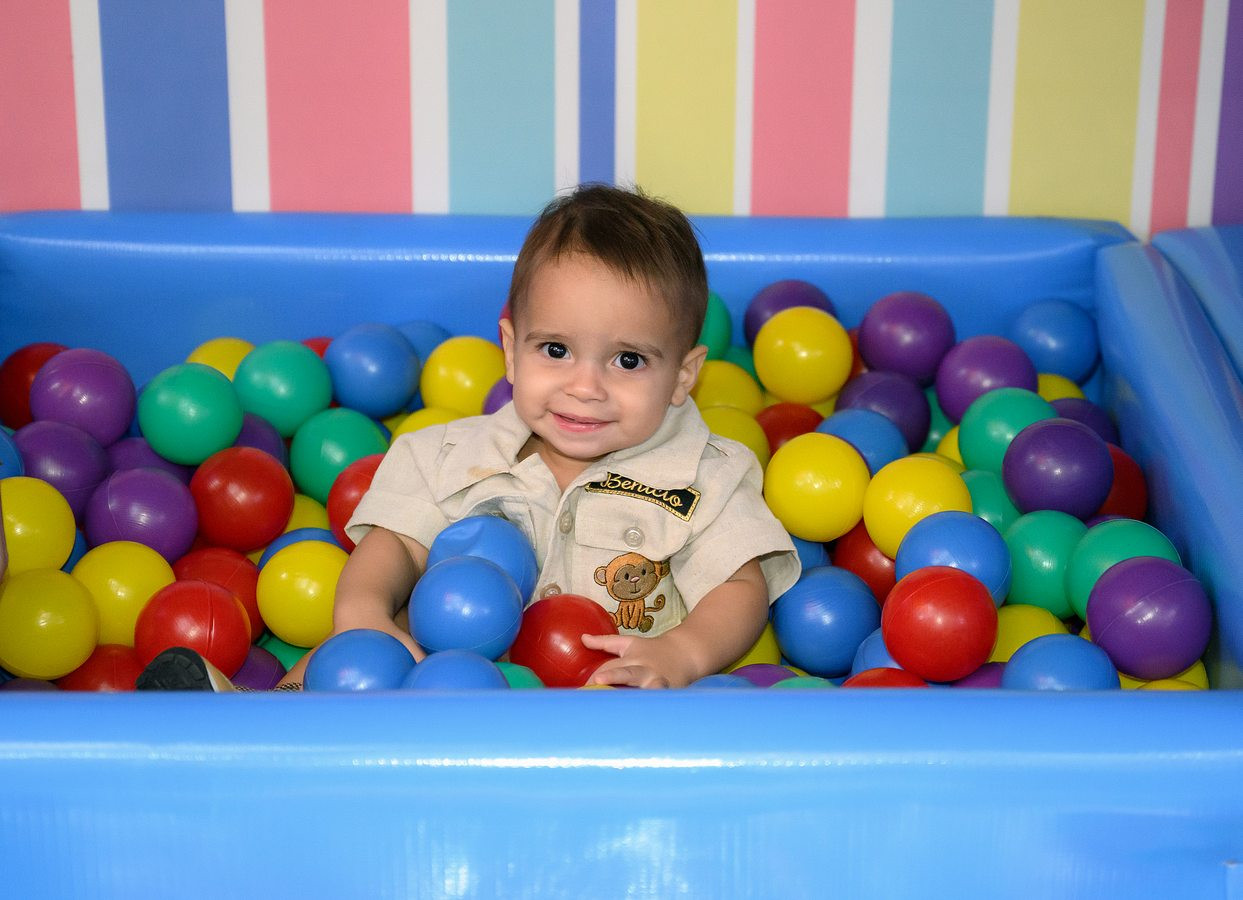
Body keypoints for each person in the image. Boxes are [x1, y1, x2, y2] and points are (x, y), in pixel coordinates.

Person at [139, 184, 800, 691]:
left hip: (608, 707)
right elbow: (395, 547)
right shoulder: (449, 455)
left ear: (683, 375)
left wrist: (680, 654)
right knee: (355, 658)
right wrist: (364, 615)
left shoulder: (706, 474)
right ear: (510, 349)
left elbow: (738, 588)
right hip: (445, 690)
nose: (585, 386)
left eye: (627, 360)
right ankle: (255, 720)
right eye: (556, 350)